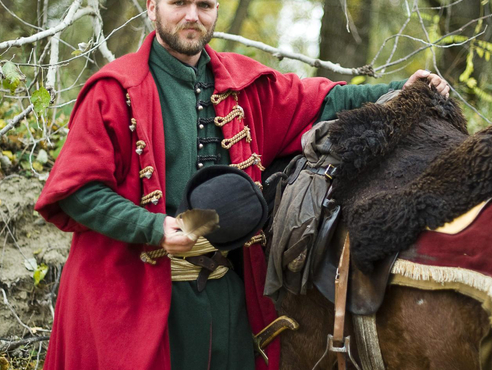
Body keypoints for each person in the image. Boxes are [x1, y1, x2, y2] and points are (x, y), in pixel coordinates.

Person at [34, 0, 451, 369]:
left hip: (225, 296)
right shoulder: (114, 90)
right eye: (178, 3)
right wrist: (152, 228)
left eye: (205, 5)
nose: (192, 16)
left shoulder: (243, 84)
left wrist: (402, 90)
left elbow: (325, 99)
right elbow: (77, 191)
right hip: (130, 298)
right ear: (151, 7)